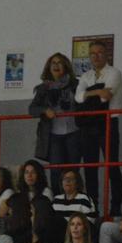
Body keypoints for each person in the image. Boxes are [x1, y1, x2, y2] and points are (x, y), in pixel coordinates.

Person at [76, 39, 122, 216]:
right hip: (88, 125)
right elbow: (78, 97)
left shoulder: (114, 73)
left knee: (112, 166)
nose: (96, 56)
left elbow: (106, 98)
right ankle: (93, 207)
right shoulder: (85, 76)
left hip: (108, 122)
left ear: (107, 55)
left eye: (99, 53)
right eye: (92, 54)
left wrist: (88, 95)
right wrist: (97, 90)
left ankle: (115, 207)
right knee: (90, 167)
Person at [30, 53, 81, 190]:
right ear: (49, 67)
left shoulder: (76, 84)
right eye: (53, 63)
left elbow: (84, 102)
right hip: (53, 135)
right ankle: (57, 199)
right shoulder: (43, 88)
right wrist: (45, 110)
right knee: (56, 170)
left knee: (73, 170)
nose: (56, 65)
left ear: (66, 66)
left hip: (74, 132)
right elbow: (32, 109)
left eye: (60, 63)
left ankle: (74, 199)